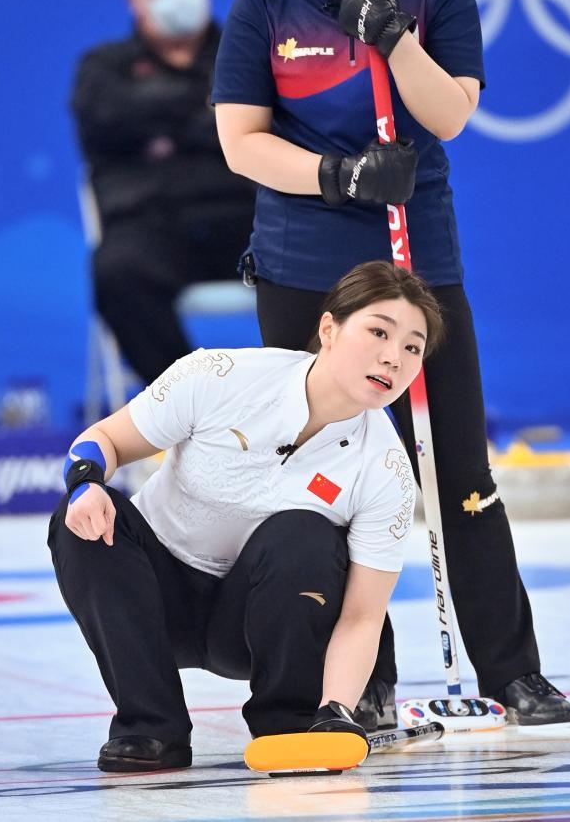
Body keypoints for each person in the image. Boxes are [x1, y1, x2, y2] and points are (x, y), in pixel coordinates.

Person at [212, 0, 570, 728]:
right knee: (329, 472)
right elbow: (240, 142)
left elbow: (449, 116)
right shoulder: (266, 1)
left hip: (416, 264)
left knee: (455, 464)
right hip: (305, 265)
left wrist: (394, 39)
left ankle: (512, 668)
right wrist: (336, 174)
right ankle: (359, 675)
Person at [48, 261, 443, 772]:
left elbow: (362, 616)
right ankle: (151, 730)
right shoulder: (219, 376)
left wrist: (336, 710)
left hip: (256, 624)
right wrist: (85, 485)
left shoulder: (387, 467)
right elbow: (101, 441)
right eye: (378, 332)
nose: (393, 358)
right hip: (154, 600)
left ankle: (291, 722)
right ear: (328, 329)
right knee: (78, 518)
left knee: (304, 533)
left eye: (413, 347)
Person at [71, 0, 256, 385]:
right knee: (115, 272)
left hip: (250, 222)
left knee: (330, 248)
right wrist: (204, 111)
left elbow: (276, 125)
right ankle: (188, 404)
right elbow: (109, 119)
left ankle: (306, 406)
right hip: (153, 230)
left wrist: (161, 123)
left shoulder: (246, 54)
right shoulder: (102, 67)